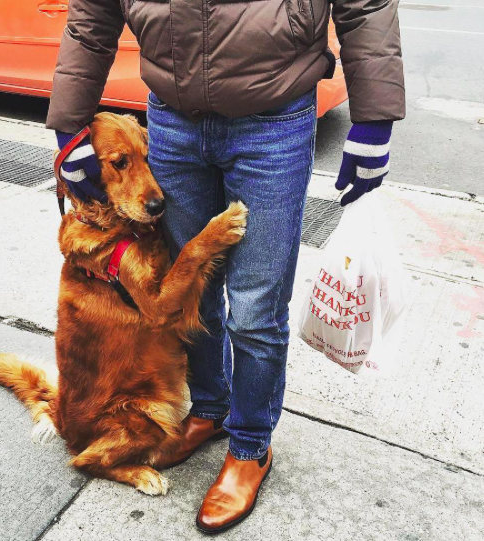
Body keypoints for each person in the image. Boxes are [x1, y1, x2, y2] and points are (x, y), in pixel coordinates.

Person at [46, 0, 404, 533]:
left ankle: (251, 447)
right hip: (171, 119)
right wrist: (70, 127)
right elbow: (93, 14)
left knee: (256, 310)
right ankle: (210, 410)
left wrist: (373, 119)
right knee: (196, 296)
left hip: (274, 120)